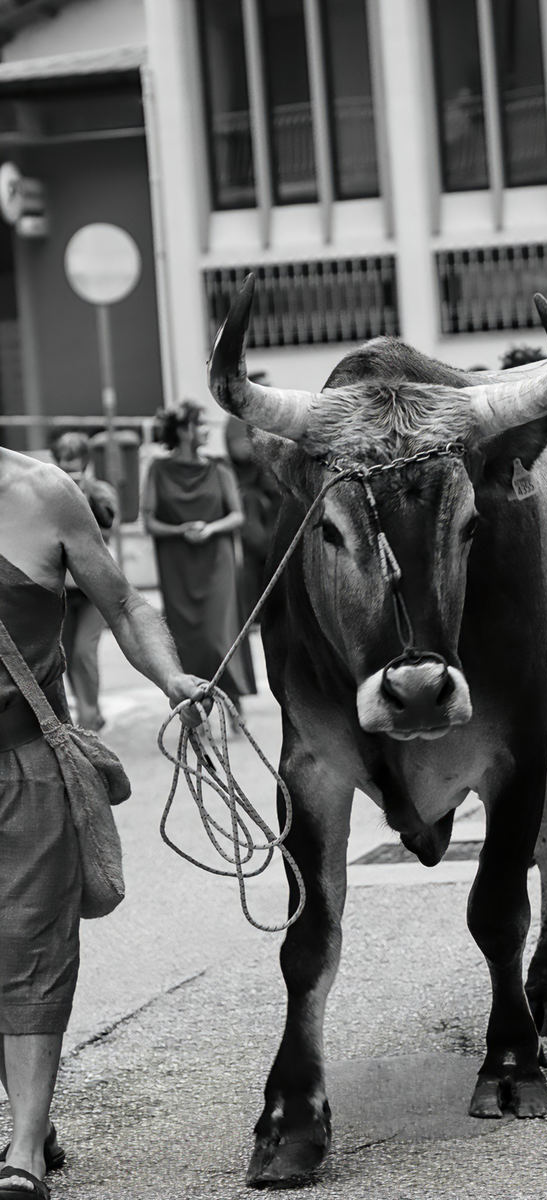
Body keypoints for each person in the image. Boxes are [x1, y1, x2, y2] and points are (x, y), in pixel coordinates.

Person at [0, 445, 207, 1199]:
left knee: (29, 944)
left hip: (21, 762)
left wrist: (171, 676)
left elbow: (122, 603)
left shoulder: (42, 492)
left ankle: (22, 1145)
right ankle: (32, 1110)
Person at [143, 400, 256, 708]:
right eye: (200, 424)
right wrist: (180, 530)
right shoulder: (158, 469)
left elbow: (237, 516)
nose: (207, 430)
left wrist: (210, 528)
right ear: (183, 431)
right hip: (177, 564)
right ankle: (196, 701)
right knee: (187, 638)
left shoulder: (219, 467)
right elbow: (149, 521)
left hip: (216, 558)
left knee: (218, 633)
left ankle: (232, 699)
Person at [51, 433, 117, 731]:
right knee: (66, 655)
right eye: (63, 462)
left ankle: (88, 717)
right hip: (60, 590)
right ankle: (91, 708)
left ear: (85, 462)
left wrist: (83, 493)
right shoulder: (50, 491)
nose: (68, 468)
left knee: (83, 652)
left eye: (73, 463)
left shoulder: (98, 490)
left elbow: (108, 525)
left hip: (93, 588)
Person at [224, 416, 281, 617]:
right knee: (255, 551)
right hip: (251, 500)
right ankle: (253, 613)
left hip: (273, 501)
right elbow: (239, 450)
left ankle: (272, 611)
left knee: (274, 556)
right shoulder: (239, 418)